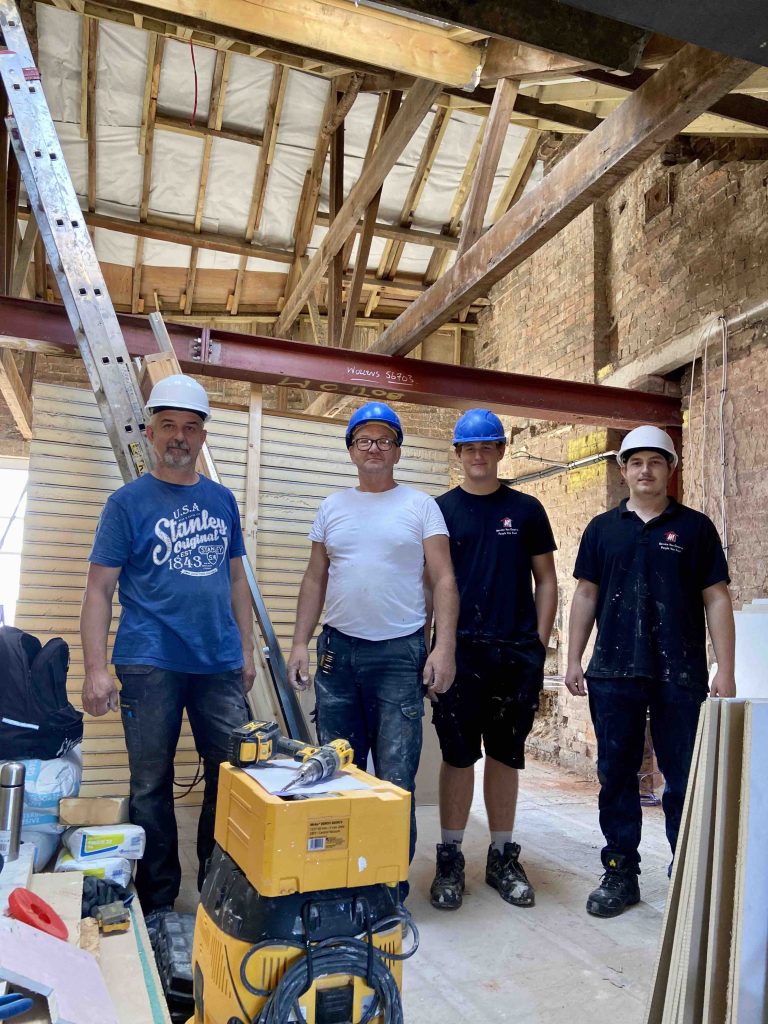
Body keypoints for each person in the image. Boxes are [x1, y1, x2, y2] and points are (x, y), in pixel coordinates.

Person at [80, 374, 256, 926]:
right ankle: (158, 901)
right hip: (149, 660)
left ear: (203, 436)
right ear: (151, 432)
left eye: (190, 427)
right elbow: (99, 589)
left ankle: (215, 887)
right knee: (149, 784)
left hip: (219, 663)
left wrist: (247, 651)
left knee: (229, 778)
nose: (179, 436)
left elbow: (235, 582)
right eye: (169, 426)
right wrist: (94, 669)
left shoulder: (222, 500)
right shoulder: (127, 503)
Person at [566, 425, 736, 918]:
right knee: (615, 775)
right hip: (613, 672)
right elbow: (585, 595)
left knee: (682, 777)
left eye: (655, 462)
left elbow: (717, 597)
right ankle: (621, 872)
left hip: (679, 674)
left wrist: (724, 666)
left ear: (670, 470)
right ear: (624, 470)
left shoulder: (695, 529)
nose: (645, 470)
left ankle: (685, 875)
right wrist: (575, 658)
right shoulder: (602, 529)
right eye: (636, 462)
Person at [286, 402, 458, 863]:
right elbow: (314, 577)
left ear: (398, 451)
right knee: (336, 770)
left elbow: (443, 578)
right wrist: (300, 642)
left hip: (399, 656)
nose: (375, 448)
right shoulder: (332, 507)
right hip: (336, 655)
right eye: (365, 440)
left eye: (385, 440)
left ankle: (388, 887)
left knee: (396, 777)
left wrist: (444, 647)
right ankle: (340, 878)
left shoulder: (420, 506)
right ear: (351, 451)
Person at [429, 409, 558, 911]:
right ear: (458, 454)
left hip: (513, 653)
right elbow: (428, 584)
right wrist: (430, 648)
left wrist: (537, 645)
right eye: (469, 447)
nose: (478, 454)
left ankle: (502, 856)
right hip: (459, 653)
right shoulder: (439, 511)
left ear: (501, 450)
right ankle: (451, 857)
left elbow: (546, 580)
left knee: (506, 754)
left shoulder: (526, 509)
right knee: (458, 756)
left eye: (488, 445)